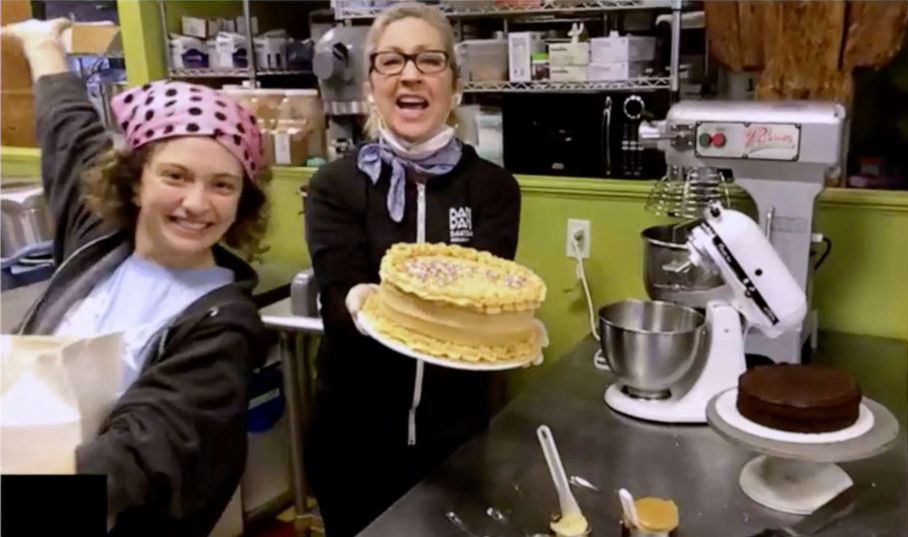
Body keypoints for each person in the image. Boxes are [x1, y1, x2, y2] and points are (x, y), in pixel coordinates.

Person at [2, 18, 270, 537]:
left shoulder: (224, 324)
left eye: (222, 185)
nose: (196, 204)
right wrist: (42, 47)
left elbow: (142, 452)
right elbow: (70, 137)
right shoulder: (100, 243)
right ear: (135, 182)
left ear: (241, 203)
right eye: (175, 175)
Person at [303, 3, 522, 535]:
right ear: (372, 82)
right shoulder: (336, 186)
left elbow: (482, 305)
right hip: (354, 439)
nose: (410, 73)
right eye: (391, 61)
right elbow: (338, 302)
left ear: (454, 84)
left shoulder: (492, 188)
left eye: (429, 60)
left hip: (457, 437)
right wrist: (357, 301)